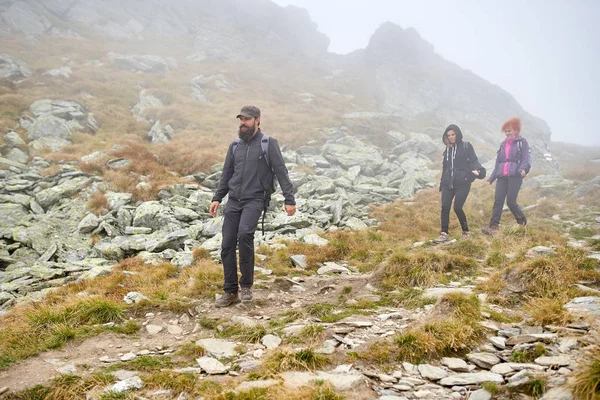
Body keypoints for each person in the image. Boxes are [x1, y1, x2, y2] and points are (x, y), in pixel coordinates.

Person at [209, 106, 296, 307]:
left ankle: (246, 286)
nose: (243, 123)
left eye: (247, 119)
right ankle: (230, 291)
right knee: (227, 244)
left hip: (255, 199)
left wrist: (289, 200)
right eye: (241, 119)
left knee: (245, 235)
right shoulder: (235, 146)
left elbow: (281, 171)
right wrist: (217, 198)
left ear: (257, 120)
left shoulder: (268, 144)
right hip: (233, 201)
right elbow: (226, 174)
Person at [433, 124, 486, 243]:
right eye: (448, 135)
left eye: (453, 134)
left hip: (463, 182)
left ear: (457, 134)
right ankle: (444, 234)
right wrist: (442, 183)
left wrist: (479, 171)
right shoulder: (447, 150)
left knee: (457, 207)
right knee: (445, 207)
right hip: (448, 183)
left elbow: (473, 161)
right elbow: (445, 168)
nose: (451, 137)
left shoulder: (466, 146)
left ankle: (466, 232)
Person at [482, 117, 531, 235]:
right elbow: (498, 162)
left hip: (515, 175)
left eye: (509, 130)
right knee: (498, 201)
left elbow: (526, 158)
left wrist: (524, 169)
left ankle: (522, 223)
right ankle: (493, 227)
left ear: (516, 130)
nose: (507, 133)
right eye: (506, 131)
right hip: (502, 176)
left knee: (510, 201)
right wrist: (491, 178)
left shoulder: (522, 142)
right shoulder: (503, 144)